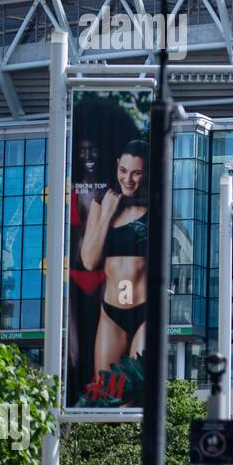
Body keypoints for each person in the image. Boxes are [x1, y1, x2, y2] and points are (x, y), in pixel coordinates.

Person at [80, 140, 149, 395]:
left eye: (136, 172)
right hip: (111, 314)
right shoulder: (104, 201)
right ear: (117, 166)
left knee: (135, 392)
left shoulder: (153, 205)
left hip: (144, 313)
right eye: (123, 170)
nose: (128, 179)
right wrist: (108, 213)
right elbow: (89, 260)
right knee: (105, 396)